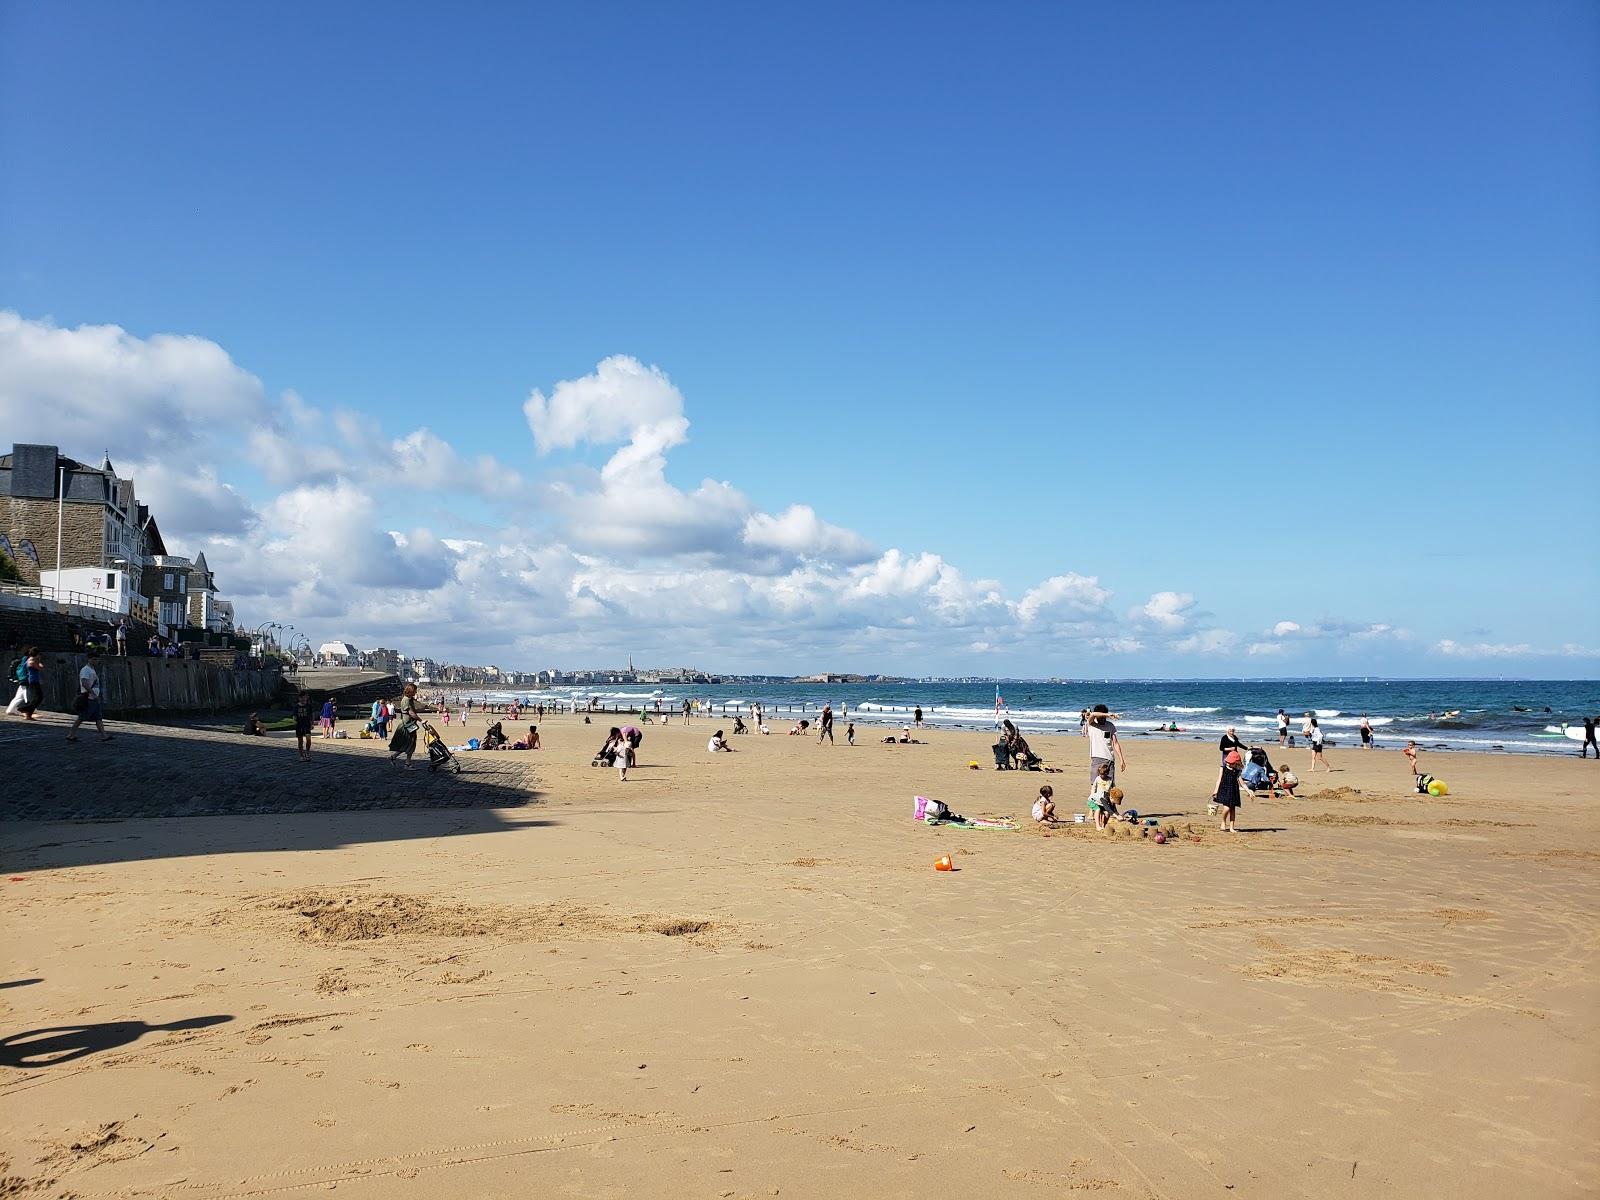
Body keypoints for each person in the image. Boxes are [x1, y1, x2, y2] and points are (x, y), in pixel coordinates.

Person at [66, 649, 110, 743]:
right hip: (89, 698)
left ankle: (104, 735)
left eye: (97, 659)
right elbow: (84, 683)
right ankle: (71, 734)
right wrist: (93, 693)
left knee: (98, 717)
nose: (96, 661)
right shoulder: (86, 670)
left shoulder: (91, 670)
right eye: (94, 659)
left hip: (93, 698)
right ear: (89, 659)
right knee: (81, 717)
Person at [1086, 704, 1125, 786]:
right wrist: (1107, 714)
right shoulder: (1091, 724)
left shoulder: (1110, 725)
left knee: (1109, 786)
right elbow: (1093, 714)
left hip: (1109, 759)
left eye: (1105, 717)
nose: (1103, 719)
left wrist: (1121, 760)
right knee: (1095, 785)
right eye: (1101, 717)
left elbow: (1115, 743)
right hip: (1097, 759)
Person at [388, 683, 422, 769]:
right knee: (410, 743)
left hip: (409, 724)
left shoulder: (409, 699)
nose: (416, 692)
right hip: (408, 725)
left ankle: (394, 757)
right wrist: (421, 720)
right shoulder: (406, 700)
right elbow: (411, 713)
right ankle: (407, 764)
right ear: (410, 691)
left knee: (406, 744)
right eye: (414, 690)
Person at [1213, 749, 1243, 832]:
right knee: (1226, 808)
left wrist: (1249, 791)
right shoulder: (1223, 768)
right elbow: (1219, 779)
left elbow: (1242, 783)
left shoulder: (1237, 771)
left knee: (1232, 809)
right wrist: (1215, 790)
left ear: (1236, 763)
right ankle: (1223, 821)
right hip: (1224, 789)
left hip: (1233, 791)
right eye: (1228, 761)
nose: (1228, 763)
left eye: (1230, 762)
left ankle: (1231, 827)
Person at [1086, 762, 1118, 829]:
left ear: (1107, 773)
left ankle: (1104, 825)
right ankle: (1098, 825)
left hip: (1106, 797)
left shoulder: (1110, 780)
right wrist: (1092, 794)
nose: (1101, 776)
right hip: (1096, 798)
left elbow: (1113, 789)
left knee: (1106, 813)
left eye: (1103, 774)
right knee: (1098, 810)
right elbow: (1094, 787)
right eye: (1100, 774)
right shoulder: (1098, 779)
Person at [6, 646, 35, 717]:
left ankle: (10, 710)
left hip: (21, 679)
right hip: (26, 680)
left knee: (19, 696)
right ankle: (27, 712)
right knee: (28, 696)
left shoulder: (23, 659)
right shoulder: (29, 659)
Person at [293, 689, 314, 761]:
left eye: (304, 697)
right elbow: (294, 716)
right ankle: (301, 755)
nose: (303, 699)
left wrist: (312, 723)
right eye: (301, 697)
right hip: (299, 725)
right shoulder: (296, 706)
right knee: (300, 741)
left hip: (307, 724)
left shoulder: (308, 706)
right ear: (299, 698)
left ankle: (307, 753)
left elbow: (311, 715)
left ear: (306, 697)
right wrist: (295, 721)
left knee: (308, 739)